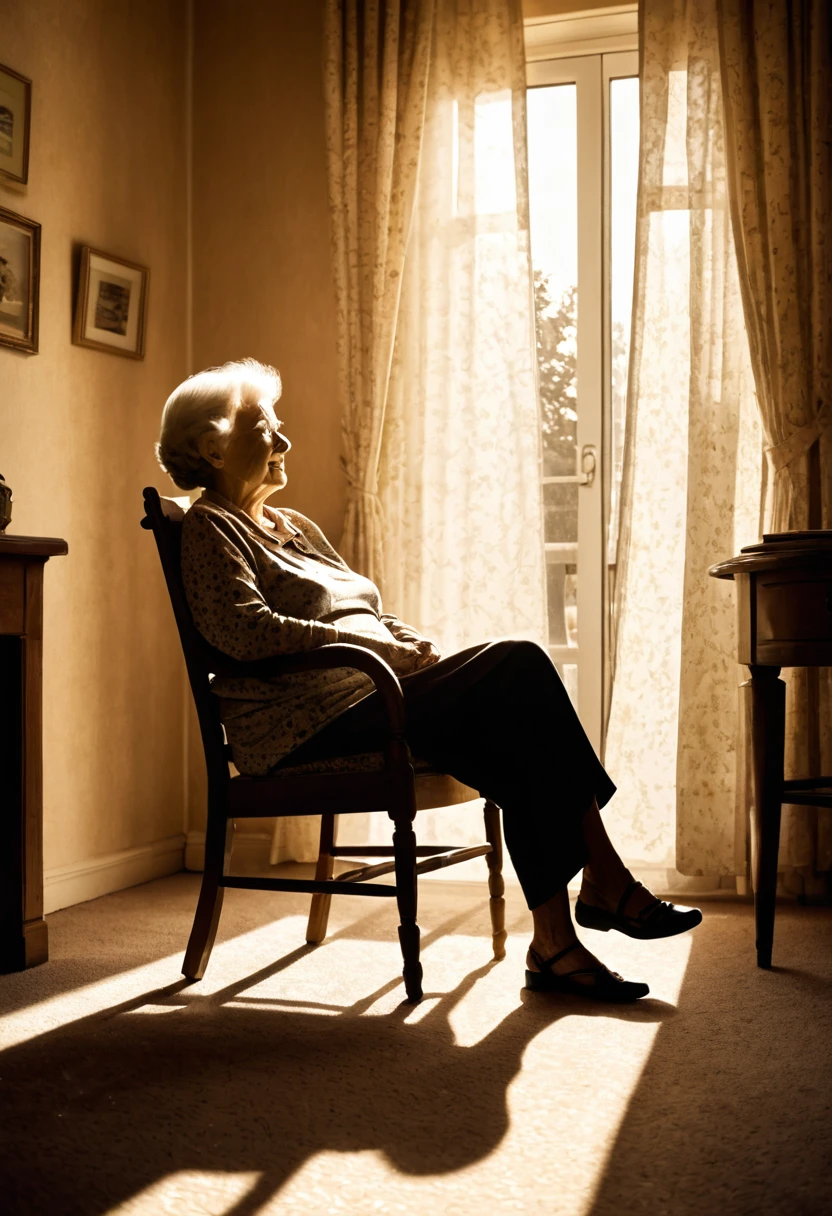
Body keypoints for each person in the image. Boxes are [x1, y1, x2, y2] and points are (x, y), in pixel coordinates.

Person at [156, 358, 702, 1003]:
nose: (285, 440)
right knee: (520, 663)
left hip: (370, 693)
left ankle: (556, 943)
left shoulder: (294, 527)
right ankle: (603, 886)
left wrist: (406, 641)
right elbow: (243, 632)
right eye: (267, 425)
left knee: (517, 728)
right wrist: (362, 642)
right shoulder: (209, 527)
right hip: (303, 721)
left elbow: (362, 608)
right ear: (210, 446)